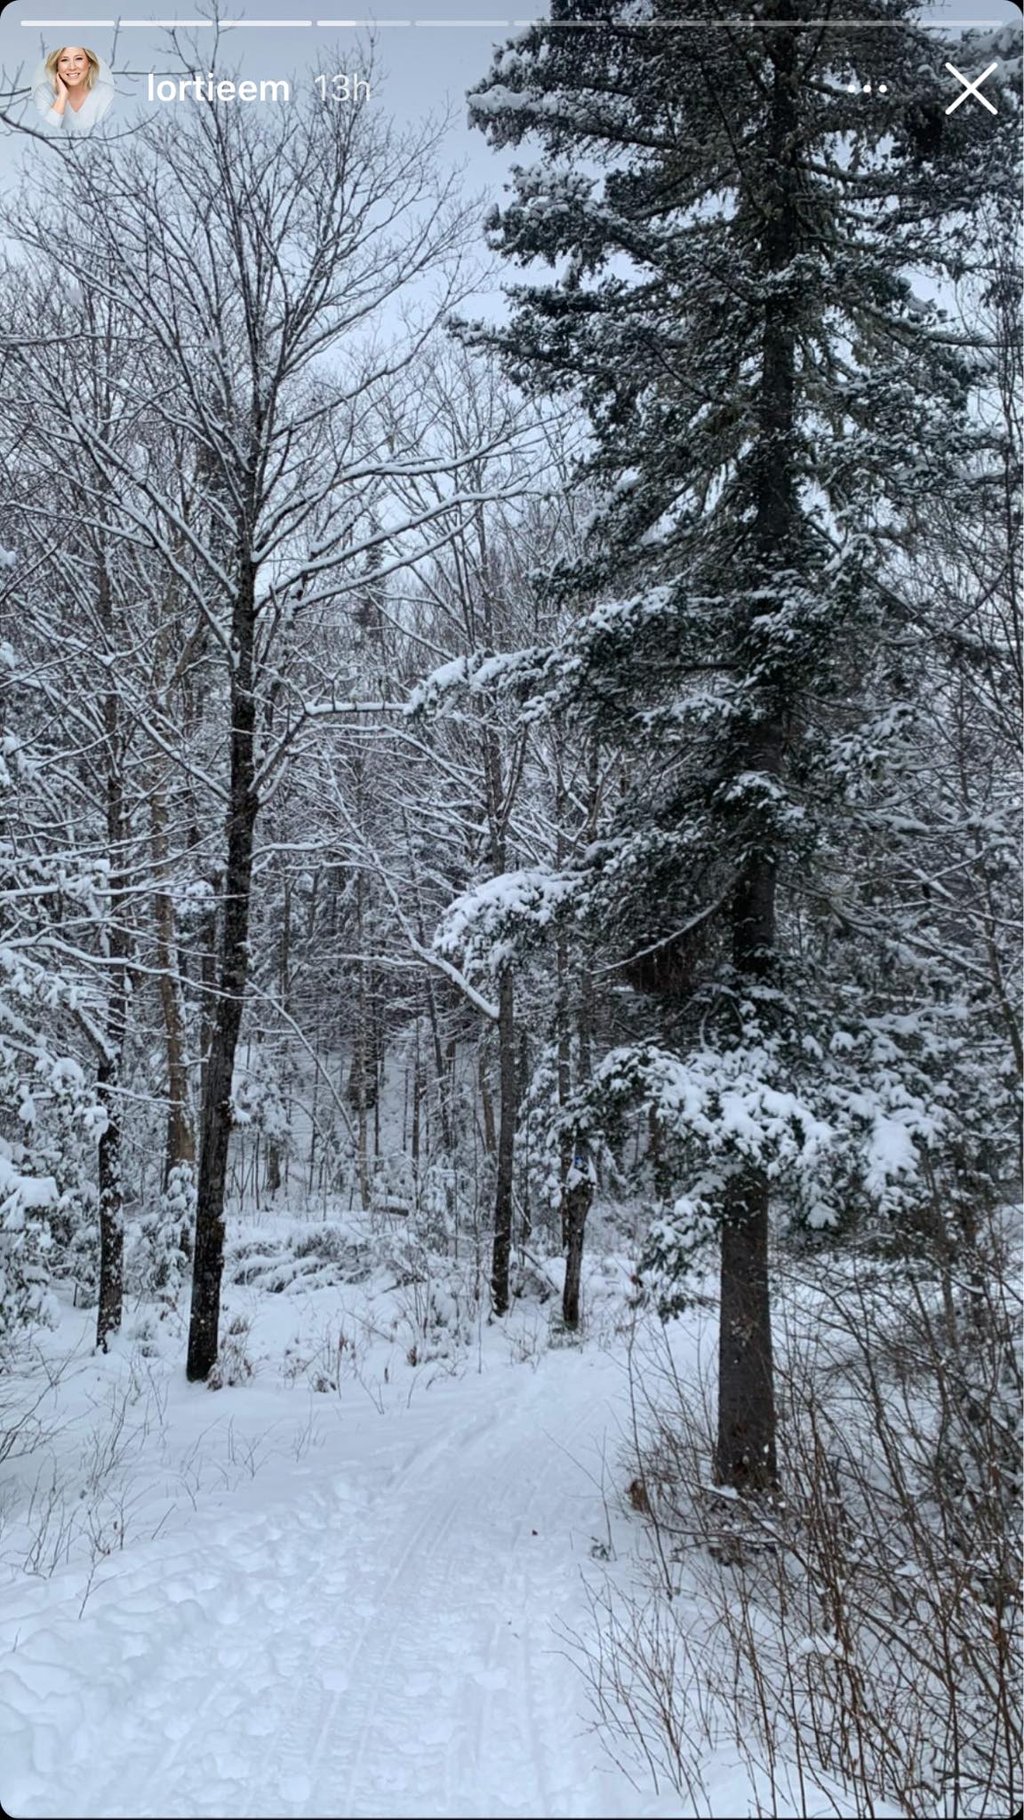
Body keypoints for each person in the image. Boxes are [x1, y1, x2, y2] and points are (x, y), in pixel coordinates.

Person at [32, 46, 114, 135]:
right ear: (57, 65)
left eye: (78, 59)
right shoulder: (43, 92)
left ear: (89, 63)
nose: (72, 67)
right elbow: (46, 133)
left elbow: (107, 132)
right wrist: (62, 96)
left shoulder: (106, 93)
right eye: (64, 60)